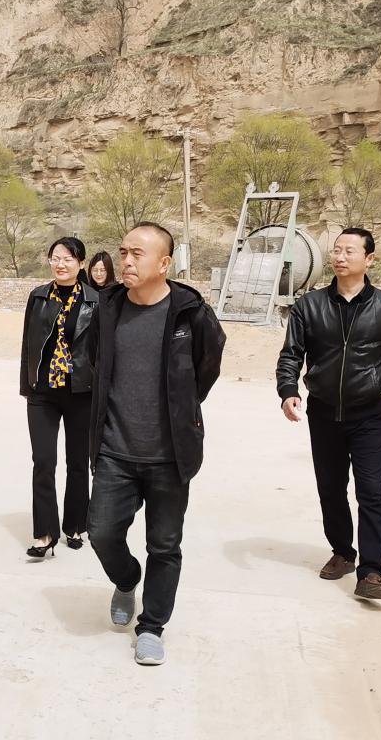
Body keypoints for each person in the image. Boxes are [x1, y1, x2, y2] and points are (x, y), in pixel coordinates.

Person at [86, 221, 225, 666]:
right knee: (101, 532)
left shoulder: (190, 313)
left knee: (164, 546)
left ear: (164, 263)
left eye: (137, 254)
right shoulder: (107, 308)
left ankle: (151, 626)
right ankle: (127, 579)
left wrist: (181, 409)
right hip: (114, 450)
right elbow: (93, 359)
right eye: (123, 252)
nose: (126, 261)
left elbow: (207, 366)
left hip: (169, 456)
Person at [276, 227, 381, 600]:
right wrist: (288, 391)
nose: (340, 257)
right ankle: (342, 552)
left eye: (349, 251)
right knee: (331, 489)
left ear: (369, 259)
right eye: (336, 250)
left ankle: (371, 572)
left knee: (371, 492)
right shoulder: (309, 306)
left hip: (370, 414)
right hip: (324, 414)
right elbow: (291, 354)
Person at [20, 237, 99, 558]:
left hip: (81, 392)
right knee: (43, 462)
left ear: (81, 263)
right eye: (55, 258)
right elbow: (28, 345)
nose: (60, 264)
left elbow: (101, 350)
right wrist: (28, 386)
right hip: (43, 393)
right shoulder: (38, 296)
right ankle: (45, 533)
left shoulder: (94, 300)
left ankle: (76, 525)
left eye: (68, 259)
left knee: (78, 463)